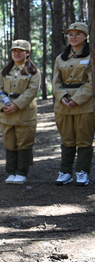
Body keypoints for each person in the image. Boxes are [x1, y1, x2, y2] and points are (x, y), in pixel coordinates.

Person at [0, 40, 41, 185]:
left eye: (21, 51)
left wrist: (17, 104)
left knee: (24, 142)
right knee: (10, 141)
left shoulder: (34, 71)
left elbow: (32, 90)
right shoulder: (5, 71)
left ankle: (21, 172)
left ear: (27, 53)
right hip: (7, 112)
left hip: (24, 111)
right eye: (14, 51)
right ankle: (11, 171)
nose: (17, 53)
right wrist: (3, 105)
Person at [53, 22, 93, 186]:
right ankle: (65, 172)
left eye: (77, 33)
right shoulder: (60, 58)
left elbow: (92, 82)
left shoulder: (91, 56)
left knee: (84, 140)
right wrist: (62, 96)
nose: (73, 37)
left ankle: (82, 172)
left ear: (85, 36)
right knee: (67, 139)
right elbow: (55, 82)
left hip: (84, 105)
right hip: (63, 105)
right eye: (70, 34)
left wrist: (77, 99)